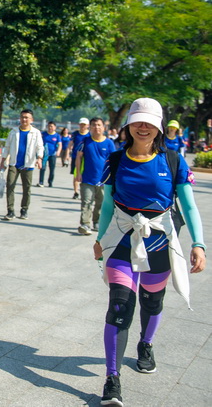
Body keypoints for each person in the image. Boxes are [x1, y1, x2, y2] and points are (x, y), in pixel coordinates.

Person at [93, 98, 206, 406]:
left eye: (150, 122)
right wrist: (100, 239)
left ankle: (146, 344)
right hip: (122, 241)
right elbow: (107, 205)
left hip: (159, 243)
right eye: (137, 121)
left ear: (159, 127)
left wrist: (198, 244)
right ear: (129, 125)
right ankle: (112, 378)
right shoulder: (115, 160)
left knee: (152, 302)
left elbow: (189, 206)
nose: (143, 127)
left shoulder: (173, 160)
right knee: (119, 306)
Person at [0, 109, 44, 220]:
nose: (24, 119)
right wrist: (3, 160)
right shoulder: (13, 132)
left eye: (26, 117)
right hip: (14, 163)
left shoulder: (36, 132)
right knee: (10, 185)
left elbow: (40, 147)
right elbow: (7, 147)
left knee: (26, 188)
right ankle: (10, 211)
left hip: (28, 165)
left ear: (31, 120)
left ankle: (24, 210)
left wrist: (39, 158)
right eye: (22, 117)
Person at [74, 117, 115, 235]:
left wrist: (113, 177)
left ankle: (97, 222)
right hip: (87, 178)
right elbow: (78, 157)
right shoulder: (85, 141)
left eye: (99, 125)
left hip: (104, 180)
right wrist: (78, 173)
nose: (96, 127)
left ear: (103, 127)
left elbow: (113, 161)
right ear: (90, 127)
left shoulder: (109, 143)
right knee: (86, 202)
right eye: (94, 125)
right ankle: (85, 224)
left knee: (100, 203)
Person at [68, 117, 90, 199]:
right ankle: (76, 192)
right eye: (81, 124)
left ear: (87, 125)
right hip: (75, 157)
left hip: (86, 158)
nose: (82, 126)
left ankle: (85, 191)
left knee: (85, 174)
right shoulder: (75, 134)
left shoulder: (90, 135)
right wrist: (68, 153)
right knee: (76, 174)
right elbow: (70, 143)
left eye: (84, 124)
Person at [38, 121, 61, 187]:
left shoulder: (57, 135)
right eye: (49, 126)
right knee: (42, 168)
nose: (50, 127)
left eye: (51, 126)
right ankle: (41, 182)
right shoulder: (43, 134)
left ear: (55, 127)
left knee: (52, 169)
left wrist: (58, 151)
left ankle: (50, 182)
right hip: (44, 154)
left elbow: (60, 144)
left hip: (52, 154)